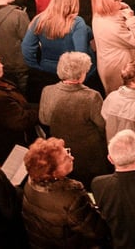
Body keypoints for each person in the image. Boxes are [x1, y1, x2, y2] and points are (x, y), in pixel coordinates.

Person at [20, 136, 110, 247]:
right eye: (65, 159)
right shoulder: (71, 196)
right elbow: (96, 230)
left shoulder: (30, 183)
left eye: (67, 151)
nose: (71, 158)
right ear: (52, 172)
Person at [38, 51, 109, 188]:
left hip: (61, 153)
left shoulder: (47, 91)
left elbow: (44, 119)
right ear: (82, 74)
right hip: (90, 155)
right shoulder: (92, 96)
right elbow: (103, 124)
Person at [91, 0, 135, 94]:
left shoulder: (99, 15)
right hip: (119, 67)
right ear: (108, 4)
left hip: (111, 63)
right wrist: (131, 18)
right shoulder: (112, 27)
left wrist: (122, 7)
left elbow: (116, 16)